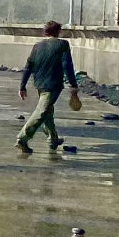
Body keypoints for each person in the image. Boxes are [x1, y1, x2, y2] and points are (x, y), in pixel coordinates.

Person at [17, 20, 80, 154]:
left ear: (45, 32)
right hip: (53, 84)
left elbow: (28, 67)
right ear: (58, 31)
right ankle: (22, 139)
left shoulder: (37, 46)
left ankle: (53, 139)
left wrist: (22, 86)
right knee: (42, 111)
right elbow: (67, 64)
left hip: (39, 83)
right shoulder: (62, 44)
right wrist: (73, 84)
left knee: (47, 110)